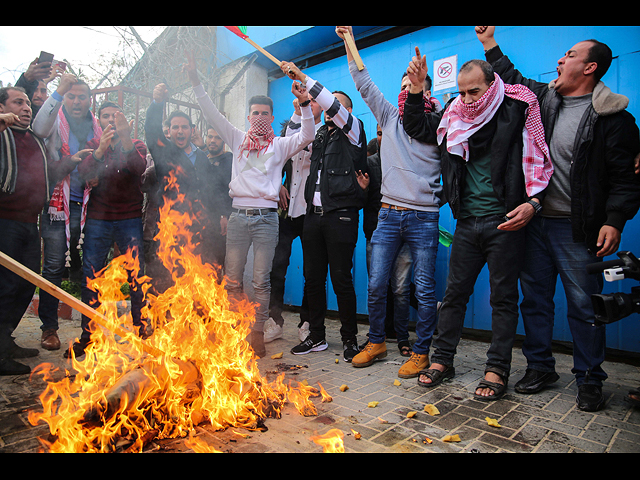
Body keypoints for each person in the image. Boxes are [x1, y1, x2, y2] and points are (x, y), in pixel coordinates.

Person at [476, 26, 640, 411]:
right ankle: (540, 367)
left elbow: (625, 179)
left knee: (584, 306)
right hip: (535, 222)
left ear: (590, 67)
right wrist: (488, 43)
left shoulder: (614, 119)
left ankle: (589, 378)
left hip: (576, 228)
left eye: (569, 55)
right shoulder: (544, 101)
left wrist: (614, 220)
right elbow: (512, 78)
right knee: (535, 300)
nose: (561, 60)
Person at [403, 47, 554, 400]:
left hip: (506, 223)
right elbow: (414, 125)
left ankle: (497, 369)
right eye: (462, 92)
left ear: (492, 85)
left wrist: (533, 203)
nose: (468, 99)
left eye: (475, 91)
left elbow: (540, 164)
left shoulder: (516, 109)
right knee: (454, 296)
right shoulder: (453, 116)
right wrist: (415, 87)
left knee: (503, 298)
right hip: (468, 223)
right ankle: (442, 360)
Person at [185, 51, 316, 359]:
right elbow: (210, 112)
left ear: (272, 117)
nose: (258, 117)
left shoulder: (281, 144)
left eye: (264, 113)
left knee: (260, 280)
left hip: (267, 219)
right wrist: (195, 82)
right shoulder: (236, 138)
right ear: (248, 117)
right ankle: (234, 329)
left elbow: (308, 133)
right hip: (238, 218)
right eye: (254, 113)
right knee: (231, 279)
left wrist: (306, 103)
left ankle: (257, 332)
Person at [329, 27, 442, 377]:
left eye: (415, 87)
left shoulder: (440, 124)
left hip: (424, 218)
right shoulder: (390, 117)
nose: (408, 92)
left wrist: (419, 84)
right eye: (404, 87)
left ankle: (421, 352)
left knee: (422, 290)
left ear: (425, 91)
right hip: (389, 215)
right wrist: (348, 40)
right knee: (377, 284)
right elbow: (362, 81)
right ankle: (376, 341)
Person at [282, 60, 369, 363]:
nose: (329, 109)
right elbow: (293, 139)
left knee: (341, 279)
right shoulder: (318, 135)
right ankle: (316, 336)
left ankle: (349, 339)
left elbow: (331, 104)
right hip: (312, 217)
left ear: (344, 112)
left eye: (335, 107)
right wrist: (303, 104)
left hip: (340, 216)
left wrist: (304, 77)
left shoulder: (355, 131)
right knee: (312, 278)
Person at [0, 87, 83, 375]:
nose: (25, 108)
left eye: (26, 103)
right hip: (5, 222)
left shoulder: (35, 139)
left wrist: (71, 162)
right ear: (2, 108)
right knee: (6, 285)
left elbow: (47, 176)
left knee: (25, 284)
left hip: (29, 223)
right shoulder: (3, 135)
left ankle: (5, 339)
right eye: (17, 102)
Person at [66, 101, 149, 358]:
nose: (111, 120)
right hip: (98, 220)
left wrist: (125, 141)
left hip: (129, 219)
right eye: (106, 116)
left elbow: (139, 169)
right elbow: (82, 173)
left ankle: (141, 329)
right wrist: (101, 149)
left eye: (116, 116)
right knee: (91, 276)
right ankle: (88, 336)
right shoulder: (92, 146)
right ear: (99, 121)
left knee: (136, 275)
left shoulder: (136, 145)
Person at [32, 74, 102, 352]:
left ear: (89, 100)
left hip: (86, 207)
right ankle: (49, 329)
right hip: (57, 207)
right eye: (71, 96)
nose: (76, 101)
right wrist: (58, 91)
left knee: (89, 271)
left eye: (81, 96)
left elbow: (103, 162)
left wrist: (95, 174)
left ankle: (90, 332)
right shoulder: (55, 123)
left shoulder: (95, 128)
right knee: (52, 269)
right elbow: (38, 127)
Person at [264, 95, 324, 345]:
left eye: (312, 100)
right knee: (277, 267)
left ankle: (307, 322)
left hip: (310, 210)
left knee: (312, 270)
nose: (306, 103)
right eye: (303, 101)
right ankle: (274, 321)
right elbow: (275, 159)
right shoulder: (289, 130)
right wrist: (277, 184)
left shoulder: (324, 133)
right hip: (287, 208)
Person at [144, 82, 210, 295]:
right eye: (175, 127)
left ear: (192, 130)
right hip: (169, 230)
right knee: (163, 282)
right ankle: (158, 327)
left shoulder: (202, 156)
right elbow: (151, 130)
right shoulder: (164, 152)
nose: (180, 131)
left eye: (184, 127)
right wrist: (157, 103)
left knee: (192, 282)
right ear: (169, 132)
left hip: (197, 229)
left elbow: (211, 190)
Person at [196, 126, 233, 274]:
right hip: (199, 218)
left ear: (223, 141)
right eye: (210, 137)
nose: (213, 140)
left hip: (219, 219)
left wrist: (224, 215)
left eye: (217, 138)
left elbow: (225, 189)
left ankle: (219, 295)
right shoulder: (202, 158)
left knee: (217, 262)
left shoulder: (228, 159)